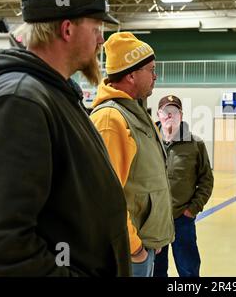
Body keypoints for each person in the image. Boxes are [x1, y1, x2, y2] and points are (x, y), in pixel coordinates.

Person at [0, 0, 130, 276]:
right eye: (96, 29)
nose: (101, 40)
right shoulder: (21, 101)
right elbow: (2, 243)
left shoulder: (54, 93)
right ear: (67, 29)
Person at [89, 32, 174, 277]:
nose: (155, 75)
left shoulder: (135, 113)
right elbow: (104, 196)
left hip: (143, 246)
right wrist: (135, 247)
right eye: (151, 69)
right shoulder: (110, 119)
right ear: (131, 74)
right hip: (127, 253)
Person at [153, 95, 214, 277]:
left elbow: (206, 180)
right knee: (156, 271)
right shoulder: (148, 142)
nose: (170, 115)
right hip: (154, 220)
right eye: (166, 111)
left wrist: (192, 209)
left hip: (182, 219)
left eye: (175, 111)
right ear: (159, 114)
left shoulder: (195, 144)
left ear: (181, 114)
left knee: (188, 270)